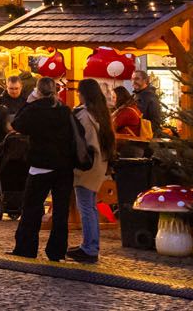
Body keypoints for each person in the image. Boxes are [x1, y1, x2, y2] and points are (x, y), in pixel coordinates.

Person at [8, 77, 75, 262]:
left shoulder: (35, 109)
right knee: (61, 211)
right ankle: (57, 251)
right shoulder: (64, 110)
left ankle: (26, 247)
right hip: (64, 166)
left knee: (31, 207)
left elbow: (17, 124)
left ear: (37, 91)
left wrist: (29, 102)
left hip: (41, 165)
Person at [69, 79, 115, 264]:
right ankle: (90, 245)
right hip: (98, 165)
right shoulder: (102, 114)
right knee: (91, 207)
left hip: (87, 166)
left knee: (86, 207)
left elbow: (83, 143)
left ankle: (89, 248)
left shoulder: (84, 116)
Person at [111, 85, 149, 158]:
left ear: (119, 98)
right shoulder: (132, 107)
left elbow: (111, 126)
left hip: (129, 149)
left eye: (114, 97)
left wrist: (115, 112)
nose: (112, 100)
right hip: (134, 147)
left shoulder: (127, 111)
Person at [133, 70, 165, 136]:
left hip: (145, 138)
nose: (133, 82)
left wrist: (144, 132)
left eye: (137, 79)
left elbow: (155, 121)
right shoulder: (137, 95)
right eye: (132, 79)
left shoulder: (150, 97)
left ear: (145, 80)